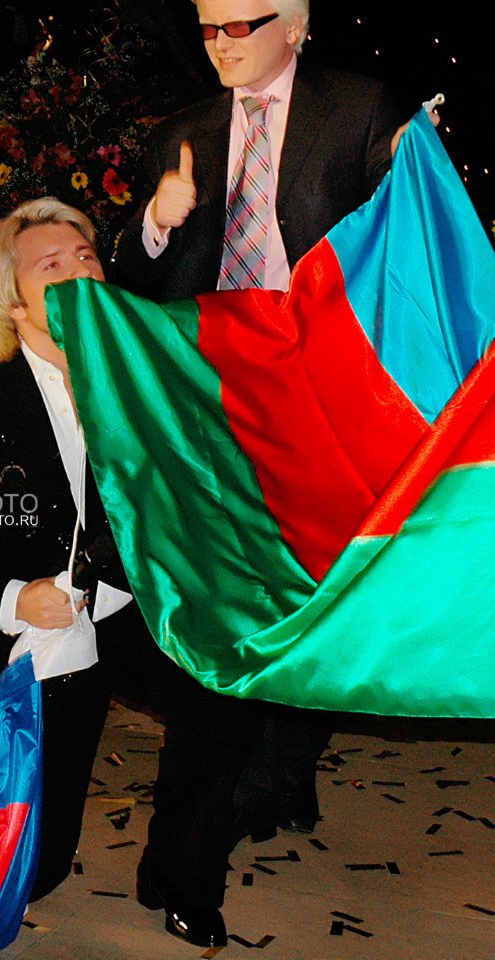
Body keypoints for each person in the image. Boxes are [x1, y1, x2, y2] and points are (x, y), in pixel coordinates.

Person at [0, 197, 262, 949]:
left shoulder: (141, 378)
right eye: (51, 266)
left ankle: (180, 877)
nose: (80, 273)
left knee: (224, 686)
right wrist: (15, 599)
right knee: (40, 869)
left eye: (87, 258)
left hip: (130, 608)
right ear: (13, 303)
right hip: (35, 632)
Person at [112, 0, 407, 840]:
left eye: (239, 25)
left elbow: (399, 242)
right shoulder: (182, 132)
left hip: (317, 387)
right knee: (227, 581)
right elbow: (130, 279)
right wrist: (157, 222)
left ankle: (282, 770)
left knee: (309, 580)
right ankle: (240, 772)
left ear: (296, 25)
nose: (220, 44)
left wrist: (410, 173)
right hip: (211, 391)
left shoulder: (357, 109)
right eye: (208, 26)